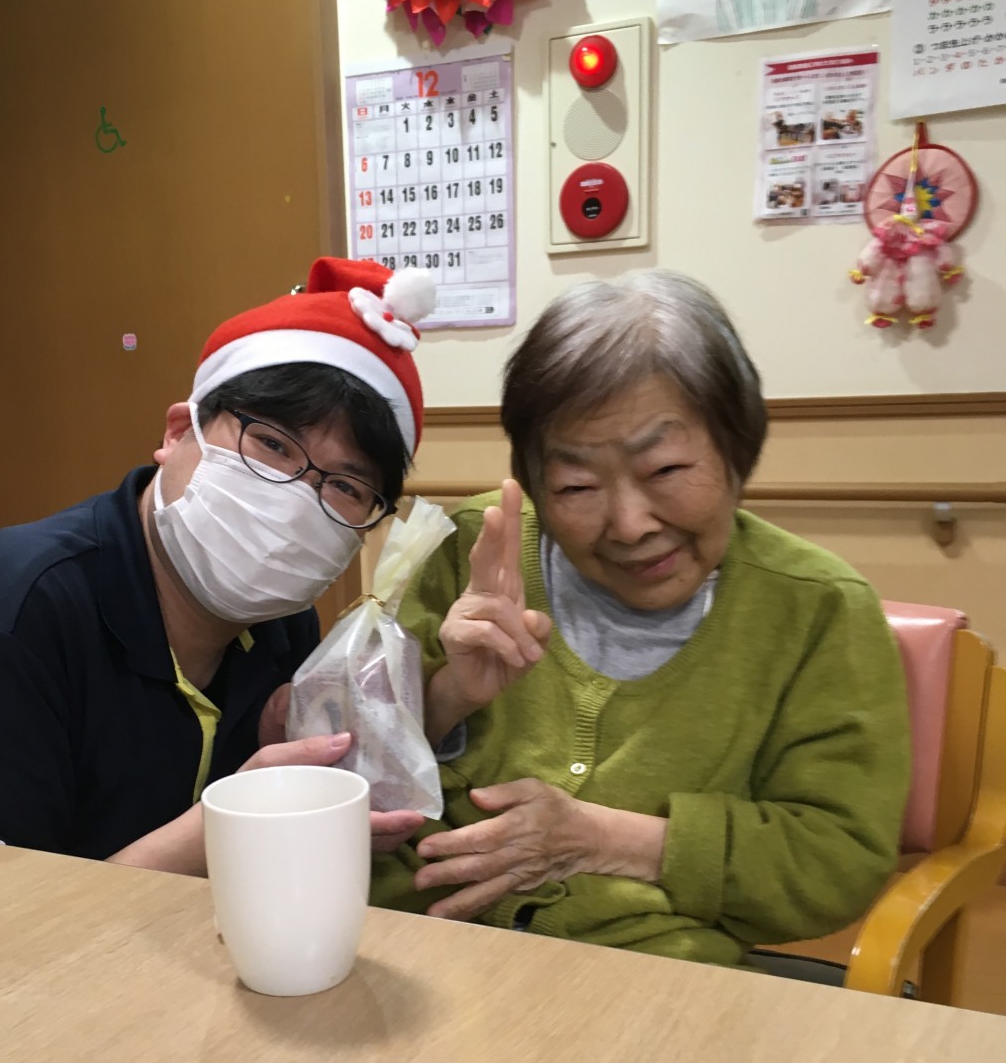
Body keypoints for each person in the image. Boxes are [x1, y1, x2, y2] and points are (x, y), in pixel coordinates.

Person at [0, 258, 435, 872]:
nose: (295, 501)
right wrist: (233, 820)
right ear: (178, 432)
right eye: (271, 444)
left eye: (346, 486)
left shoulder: (280, 623)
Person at [370, 270, 911, 970]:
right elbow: (351, 770)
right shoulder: (473, 551)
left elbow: (835, 863)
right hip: (414, 948)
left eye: (665, 470)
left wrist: (608, 839)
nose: (630, 525)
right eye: (576, 486)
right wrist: (446, 696)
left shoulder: (819, 610)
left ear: (737, 450)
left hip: (646, 975)